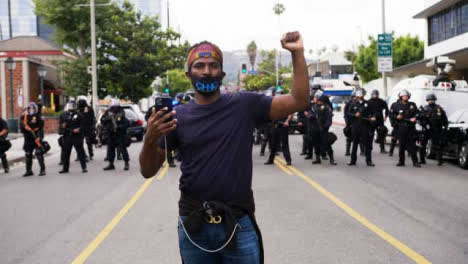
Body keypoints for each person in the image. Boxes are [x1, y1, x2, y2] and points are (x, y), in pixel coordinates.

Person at [139, 32, 309, 264]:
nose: (207, 71)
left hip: (238, 222)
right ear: (189, 74)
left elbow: (298, 101)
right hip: (193, 225)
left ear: (222, 72)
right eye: (199, 65)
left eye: (213, 65)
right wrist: (150, 136)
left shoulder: (245, 105)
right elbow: (148, 171)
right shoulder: (176, 117)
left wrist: (297, 53)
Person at [389, 90, 420, 167]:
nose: (405, 97)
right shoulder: (395, 105)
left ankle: (415, 162)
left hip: (410, 127)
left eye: (406, 96)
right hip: (401, 126)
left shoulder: (412, 105)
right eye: (404, 96)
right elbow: (390, 114)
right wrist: (397, 117)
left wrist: (415, 118)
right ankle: (401, 161)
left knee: (412, 145)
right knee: (401, 145)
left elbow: (418, 113)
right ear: (401, 97)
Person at [346, 89, 376, 167]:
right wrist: (355, 115)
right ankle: (353, 161)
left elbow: (373, 113)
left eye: (361, 95)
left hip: (365, 126)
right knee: (355, 144)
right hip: (356, 126)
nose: (360, 96)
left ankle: (369, 161)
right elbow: (348, 113)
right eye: (358, 95)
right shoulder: (353, 104)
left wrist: (373, 117)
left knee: (367, 144)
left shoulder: (368, 104)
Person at [418, 93, 448, 166]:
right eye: (429, 100)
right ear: (427, 100)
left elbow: (444, 118)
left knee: (438, 145)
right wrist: (425, 124)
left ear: (434, 100)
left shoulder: (439, 108)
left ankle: (440, 160)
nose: (431, 101)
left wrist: (445, 126)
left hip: (436, 129)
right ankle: (422, 160)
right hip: (426, 129)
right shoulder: (424, 108)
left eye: (432, 100)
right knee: (422, 145)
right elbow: (420, 119)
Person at [265, 90, 293, 166]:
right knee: (273, 144)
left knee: (284, 144)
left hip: (283, 126)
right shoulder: (274, 104)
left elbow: (290, 113)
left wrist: (287, 121)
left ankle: (288, 160)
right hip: (275, 125)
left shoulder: (287, 104)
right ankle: (271, 160)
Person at [59, 100, 88, 173]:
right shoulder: (63, 115)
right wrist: (62, 127)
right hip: (67, 136)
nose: (71, 107)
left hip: (76, 136)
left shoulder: (79, 115)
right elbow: (60, 126)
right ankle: (65, 168)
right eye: (70, 105)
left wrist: (79, 129)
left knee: (80, 152)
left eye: (73, 105)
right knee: (66, 153)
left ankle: (84, 167)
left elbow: (83, 125)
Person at [308, 91, 336, 165]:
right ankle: (317, 158)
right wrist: (312, 116)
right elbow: (309, 115)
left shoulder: (327, 108)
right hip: (315, 128)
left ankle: (332, 159)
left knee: (326, 144)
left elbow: (329, 119)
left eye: (317, 99)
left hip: (323, 129)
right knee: (316, 144)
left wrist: (325, 127)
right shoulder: (314, 107)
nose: (316, 100)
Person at [102, 100, 130, 171]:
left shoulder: (121, 113)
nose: (114, 108)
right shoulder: (108, 112)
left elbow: (127, 123)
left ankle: (126, 163)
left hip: (120, 134)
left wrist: (119, 127)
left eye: (116, 106)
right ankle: (111, 164)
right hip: (110, 134)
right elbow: (102, 120)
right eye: (113, 106)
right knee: (110, 150)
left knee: (123, 149)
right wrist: (107, 119)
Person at [20, 103, 46, 176]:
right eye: (29, 108)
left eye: (33, 108)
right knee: (28, 154)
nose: (31, 110)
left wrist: (39, 137)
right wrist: (25, 128)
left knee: (38, 153)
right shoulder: (24, 117)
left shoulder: (38, 116)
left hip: (36, 136)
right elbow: (21, 128)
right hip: (28, 137)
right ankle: (29, 171)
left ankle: (42, 170)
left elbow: (40, 128)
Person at [77, 96, 97, 161]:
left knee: (88, 142)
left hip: (88, 127)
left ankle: (90, 154)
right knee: (80, 142)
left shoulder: (88, 109)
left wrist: (93, 126)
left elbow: (93, 118)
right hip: (82, 127)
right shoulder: (79, 110)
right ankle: (81, 155)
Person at [343, 91, 356, 156]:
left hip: (357, 123)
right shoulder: (348, 104)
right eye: (353, 97)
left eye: (355, 97)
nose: (354, 98)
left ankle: (362, 151)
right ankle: (347, 151)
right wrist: (348, 123)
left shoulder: (359, 103)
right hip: (350, 123)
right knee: (349, 138)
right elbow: (345, 114)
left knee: (359, 137)